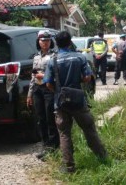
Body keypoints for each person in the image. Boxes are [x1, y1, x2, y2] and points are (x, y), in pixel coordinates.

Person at [43, 31, 108, 173]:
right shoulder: (80, 57)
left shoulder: (52, 61)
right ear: (70, 42)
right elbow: (87, 78)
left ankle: (69, 167)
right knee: (89, 129)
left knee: (64, 134)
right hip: (79, 101)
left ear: (56, 43)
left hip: (60, 103)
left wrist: (59, 91)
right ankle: (103, 157)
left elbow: (47, 84)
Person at [27, 30, 58, 159]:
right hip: (37, 90)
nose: (45, 43)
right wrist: (29, 94)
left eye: (47, 41)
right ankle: (45, 144)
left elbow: (56, 75)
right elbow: (33, 77)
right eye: (42, 40)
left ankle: (53, 147)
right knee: (40, 118)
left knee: (50, 117)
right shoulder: (35, 56)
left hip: (49, 89)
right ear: (38, 42)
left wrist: (43, 76)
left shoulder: (54, 56)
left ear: (50, 42)